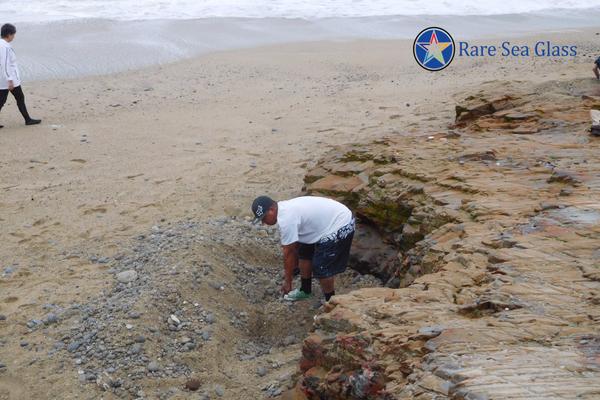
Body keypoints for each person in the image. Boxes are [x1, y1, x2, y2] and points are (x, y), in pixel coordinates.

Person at [251, 195, 355, 302]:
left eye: (263, 218)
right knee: (304, 252)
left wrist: (288, 282)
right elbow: (294, 246)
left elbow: (288, 253)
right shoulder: (284, 208)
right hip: (326, 221)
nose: (263, 223)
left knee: (321, 266)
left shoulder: (286, 219)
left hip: (341, 223)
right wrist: (294, 268)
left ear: (272, 210)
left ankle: (331, 302)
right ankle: (305, 290)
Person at [0, 23, 41, 129]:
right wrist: (9, 80)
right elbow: (5, 64)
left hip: (4, 78)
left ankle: (28, 119)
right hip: (8, 79)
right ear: (9, 34)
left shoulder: (2, 44)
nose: (14, 36)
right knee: (16, 98)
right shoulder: (4, 47)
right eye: (13, 34)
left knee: (5, 100)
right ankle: (28, 120)